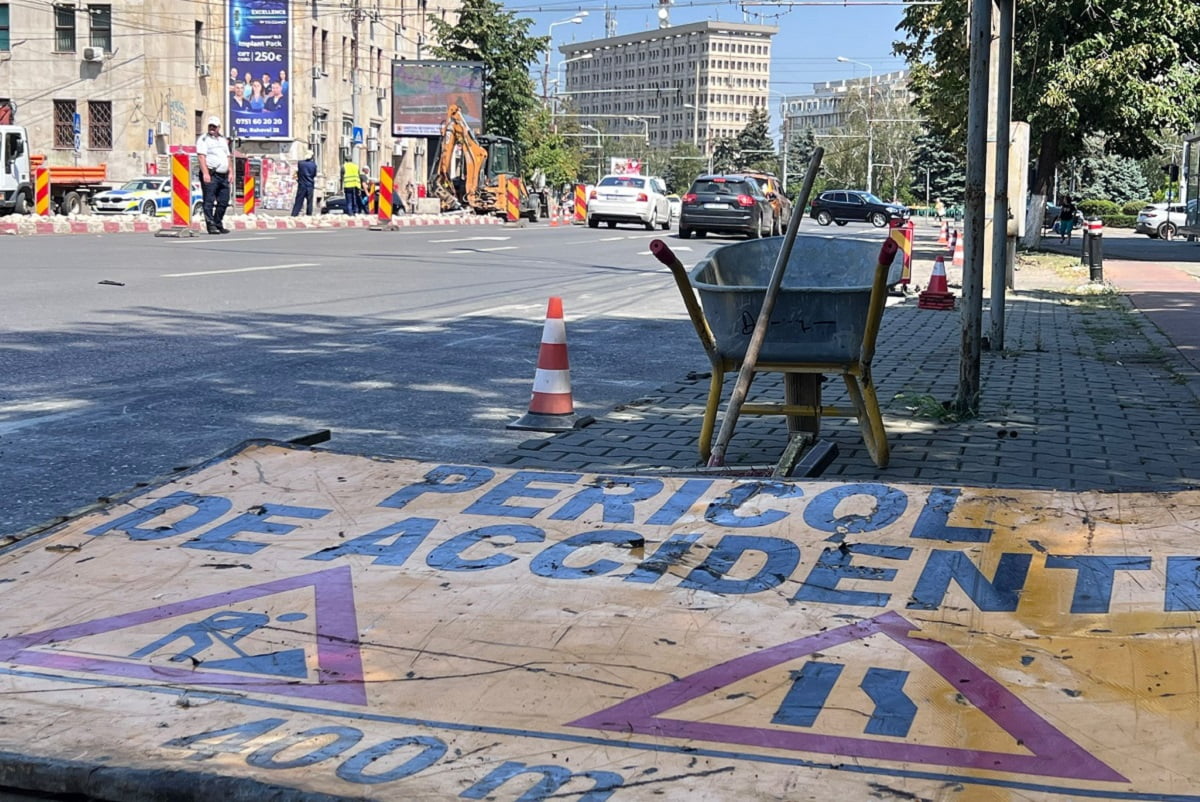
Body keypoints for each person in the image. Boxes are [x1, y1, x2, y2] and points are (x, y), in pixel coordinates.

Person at [196, 115, 231, 235]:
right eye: (210, 126)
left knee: (224, 201)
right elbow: (201, 157)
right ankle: (210, 225)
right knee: (209, 201)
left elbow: (227, 156)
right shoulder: (203, 139)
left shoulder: (222, 140)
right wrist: (205, 173)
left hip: (224, 175)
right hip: (211, 174)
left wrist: (230, 171)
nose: (212, 128)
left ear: (218, 127)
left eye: (214, 126)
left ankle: (218, 222)